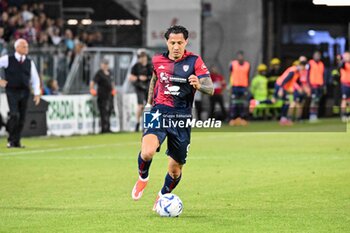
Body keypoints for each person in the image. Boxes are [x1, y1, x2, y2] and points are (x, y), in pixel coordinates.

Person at [131, 25, 214, 210]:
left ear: (186, 42)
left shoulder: (194, 61)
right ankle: (142, 178)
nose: (176, 46)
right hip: (159, 111)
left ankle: (162, 195)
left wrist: (199, 85)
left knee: (175, 171)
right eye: (172, 42)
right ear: (167, 43)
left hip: (181, 118)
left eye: (179, 42)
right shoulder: (158, 60)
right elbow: (154, 80)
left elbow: (211, 88)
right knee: (147, 152)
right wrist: (148, 105)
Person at [0, 38, 41, 148]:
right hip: (12, 91)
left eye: (27, 46)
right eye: (24, 46)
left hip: (25, 91)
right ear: (17, 47)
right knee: (14, 115)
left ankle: (16, 141)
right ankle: (11, 140)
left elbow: (35, 79)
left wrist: (37, 93)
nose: (26, 48)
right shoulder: (7, 59)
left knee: (22, 117)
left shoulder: (29, 62)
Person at [90, 59, 116, 133]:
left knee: (109, 111)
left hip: (110, 95)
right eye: (104, 64)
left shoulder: (110, 72)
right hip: (102, 95)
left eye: (106, 64)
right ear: (101, 65)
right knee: (103, 112)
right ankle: (103, 129)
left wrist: (113, 89)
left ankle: (108, 127)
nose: (105, 66)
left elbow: (112, 82)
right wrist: (92, 89)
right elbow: (93, 82)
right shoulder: (99, 73)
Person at [129, 51, 153, 132]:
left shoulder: (150, 66)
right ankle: (137, 123)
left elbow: (154, 77)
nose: (142, 59)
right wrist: (139, 78)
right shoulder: (136, 66)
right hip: (139, 87)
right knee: (140, 106)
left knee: (149, 106)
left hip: (148, 88)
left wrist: (148, 78)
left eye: (143, 57)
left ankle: (148, 124)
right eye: (140, 57)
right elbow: (131, 77)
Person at [229, 51, 250, 126]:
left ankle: (242, 118)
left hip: (243, 87)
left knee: (243, 103)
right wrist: (230, 86)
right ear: (237, 57)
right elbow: (231, 75)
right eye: (239, 56)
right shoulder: (233, 64)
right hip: (235, 86)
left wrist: (247, 86)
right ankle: (233, 119)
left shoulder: (247, 65)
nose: (240, 58)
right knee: (234, 103)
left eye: (241, 56)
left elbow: (247, 76)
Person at [308, 51, 325, 122]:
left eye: (319, 55)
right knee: (313, 100)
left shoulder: (321, 64)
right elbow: (307, 74)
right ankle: (312, 115)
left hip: (320, 85)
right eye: (316, 55)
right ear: (313, 56)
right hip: (313, 85)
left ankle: (315, 114)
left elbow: (323, 75)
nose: (317, 56)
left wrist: (324, 84)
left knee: (317, 101)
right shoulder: (310, 63)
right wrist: (308, 85)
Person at [338, 51, 350, 122]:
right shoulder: (343, 64)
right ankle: (343, 115)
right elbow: (340, 65)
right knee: (344, 100)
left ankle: (348, 114)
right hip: (345, 84)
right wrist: (342, 59)